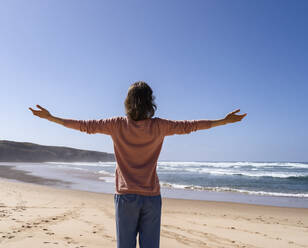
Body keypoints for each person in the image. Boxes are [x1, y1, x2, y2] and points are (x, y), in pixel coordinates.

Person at [29, 81, 247, 248]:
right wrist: (223, 121)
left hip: (126, 197)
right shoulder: (160, 126)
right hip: (152, 197)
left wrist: (51, 118)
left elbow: (84, 126)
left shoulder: (115, 125)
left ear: (128, 101)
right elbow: (191, 126)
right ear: (150, 102)